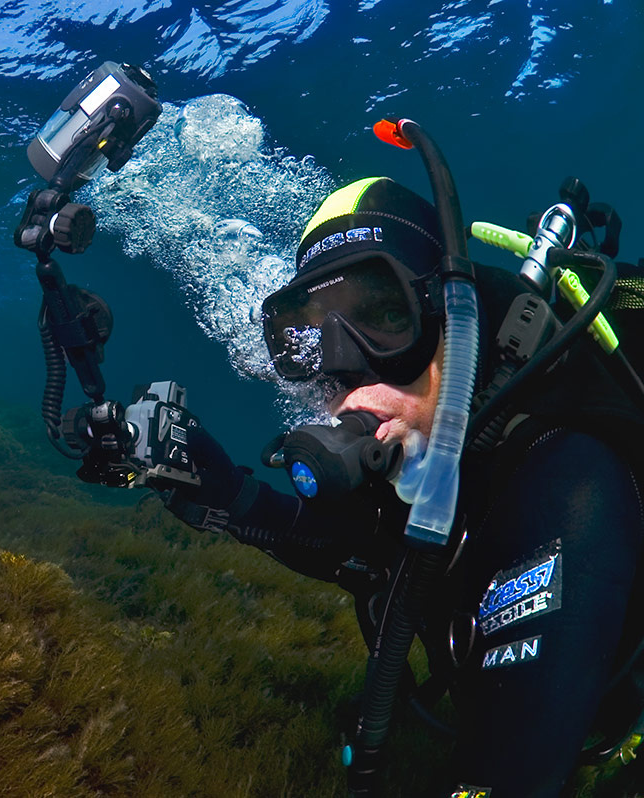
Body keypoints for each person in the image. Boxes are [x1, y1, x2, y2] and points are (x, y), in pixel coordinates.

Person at [161, 175, 644, 797]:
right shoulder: (421, 437)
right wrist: (228, 494)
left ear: (453, 313)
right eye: (311, 341)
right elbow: (362, 551)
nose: (350, 376)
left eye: (387, 316)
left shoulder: (569, 477)